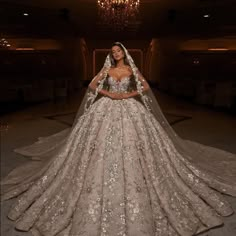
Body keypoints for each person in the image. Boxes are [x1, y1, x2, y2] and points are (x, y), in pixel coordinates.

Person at [1, 42, 236, 236]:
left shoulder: (132, 70)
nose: (115, 54)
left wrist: (130, 94)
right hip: (106, 107)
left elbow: (144, 87)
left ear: (124, 53)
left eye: (118, 51)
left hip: (130, 108)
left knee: (140, 145)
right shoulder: (107, 71)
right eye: (112, 52)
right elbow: (93, 85)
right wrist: (109, 93)